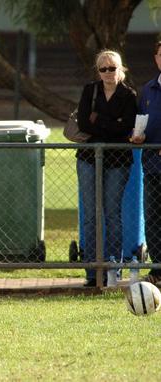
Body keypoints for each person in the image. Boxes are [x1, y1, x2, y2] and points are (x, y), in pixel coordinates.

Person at [76, 50, 136, 287]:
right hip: (88, 158)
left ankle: (113, 270)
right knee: (90, 216)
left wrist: (97, 121)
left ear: (121, 68)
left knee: (112, 214)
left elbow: (126, 128)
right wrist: (113, 124)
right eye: (104, 69)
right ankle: (93, 271)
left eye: (113, 68)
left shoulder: (128, 95)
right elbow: (82, 121)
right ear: (98, 71)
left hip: (117, 161)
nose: (109, 73)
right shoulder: (89, 91)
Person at [132, 42, 161, 285]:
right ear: (156, 59)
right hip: (152, 167)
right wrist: (138, 136)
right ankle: (158, 270)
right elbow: (141, 122)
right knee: (152, 218)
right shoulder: (148, 90)